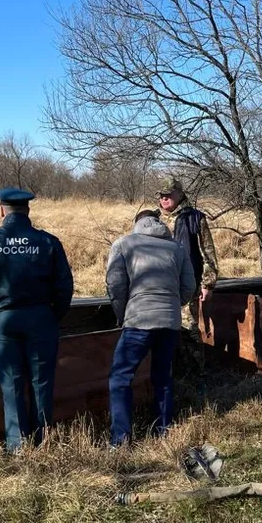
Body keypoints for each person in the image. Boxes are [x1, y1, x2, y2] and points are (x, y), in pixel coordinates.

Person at [0, 188, 74, 452]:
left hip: (3, 319)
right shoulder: (48, 242)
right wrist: (52, 317)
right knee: (42, 382)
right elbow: (64, 287)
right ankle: (43, 441)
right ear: (28, 210)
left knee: (10, 383)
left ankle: (17, 446)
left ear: (2, 211)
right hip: (41, 318)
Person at [106, 209, 196, 446]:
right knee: (163, 376)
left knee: (120, 378)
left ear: (136, 223)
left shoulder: (125, 244)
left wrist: (122, 313)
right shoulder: (177, 248)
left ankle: (120, 439)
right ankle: (163, 432)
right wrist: (172, 304)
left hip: (138, 320)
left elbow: (115, 285)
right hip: (170, 321)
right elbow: (189, 285)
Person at [156, 178, 218, 333]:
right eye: (161, 195)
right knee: (162, 335)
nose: (164, 198)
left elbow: (208, 253)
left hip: (188, 286)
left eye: (168, 194)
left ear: (179, 194)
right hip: (159, 288)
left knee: (190, 333)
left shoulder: (195, 217)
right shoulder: (152, 219)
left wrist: (208, 285)